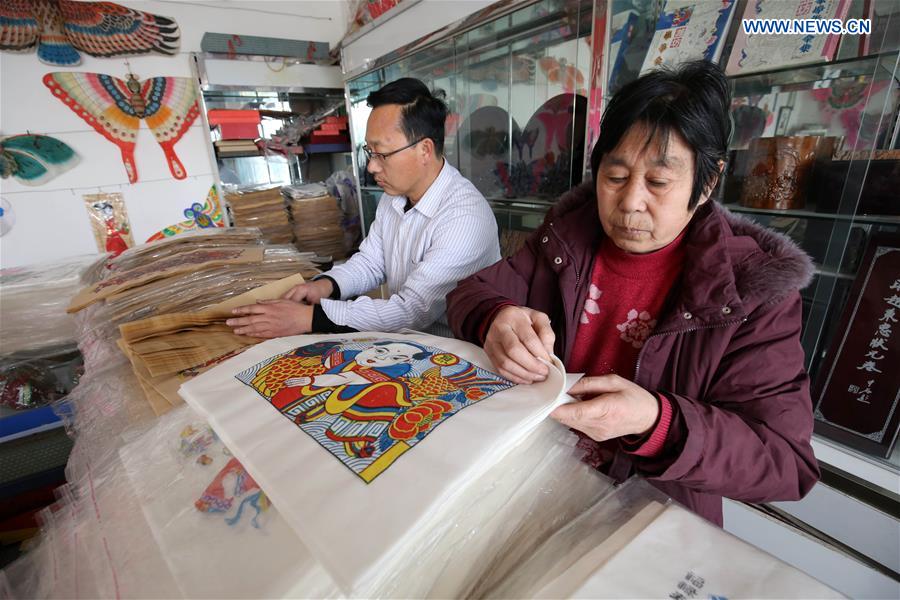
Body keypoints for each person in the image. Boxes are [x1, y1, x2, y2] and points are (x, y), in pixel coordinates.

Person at [446, 60, 819, 526]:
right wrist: (494, 317)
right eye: (615, 177)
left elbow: (783, 461)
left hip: (646, 518)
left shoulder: (749, 290)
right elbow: (473, 292)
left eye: (658, 182)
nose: (629, 202)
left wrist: (655, 421)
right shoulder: (566, 239)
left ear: (707, 183)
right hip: (533, 484)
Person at [227, 78, 500, 338]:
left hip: (457, 352)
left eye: (382, 154)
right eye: (370, 152)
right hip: (407, 341)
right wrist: (325, 286)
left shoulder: (464, 216)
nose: (371, 166)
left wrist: (306, 319)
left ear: (425, 150)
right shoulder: (394, 197)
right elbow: (371, 262)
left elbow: (411, 310)